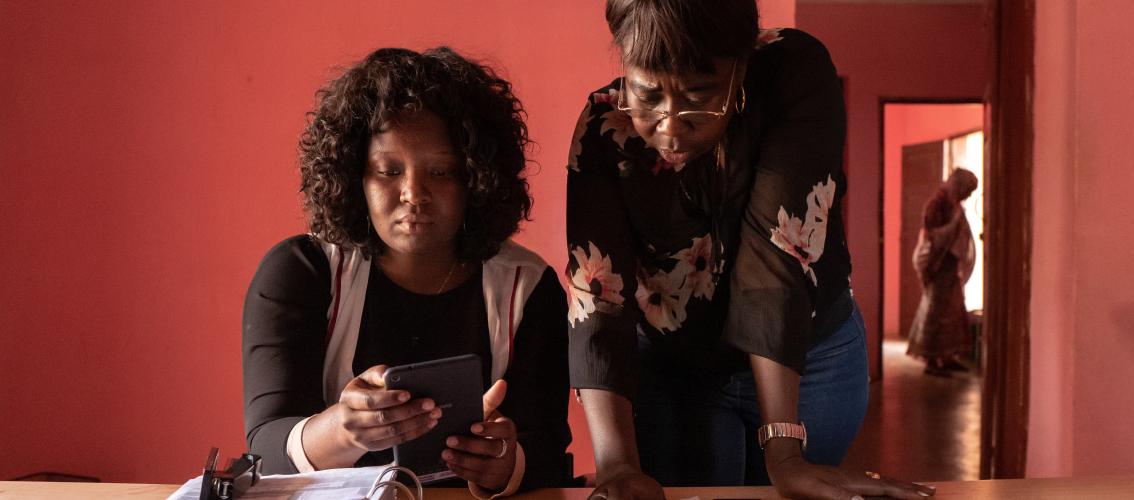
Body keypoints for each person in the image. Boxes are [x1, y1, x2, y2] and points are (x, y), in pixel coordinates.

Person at [565, 1, 935, 499]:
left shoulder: (790, 73)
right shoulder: (603, 129)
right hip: (676, 367)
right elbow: (598, 297)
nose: (670, 127)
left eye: (700, 95)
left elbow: (777, 251)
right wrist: (616, 465)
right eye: (647, 94)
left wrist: (784, 452)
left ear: (741, 64)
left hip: (811, 357)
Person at [242, 47, 570, 497]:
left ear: (476, 179)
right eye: (388, 170)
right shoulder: (301, 272)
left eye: (440, 171)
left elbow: (547, 451)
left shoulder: (527, 287)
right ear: (354, 176)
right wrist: (344, 430)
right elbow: (265, 449)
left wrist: (505, 466)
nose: (414, 193)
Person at [907, 168, 979, 376]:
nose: (969, 196)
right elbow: (933, 236)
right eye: (968, 190)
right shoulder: (938, 204)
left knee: (952, 311)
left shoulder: (954, 204)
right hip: (938, 265)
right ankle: (932, 359)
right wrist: (955, 223)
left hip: (949, 265)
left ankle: (946, 357)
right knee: (935, 311)